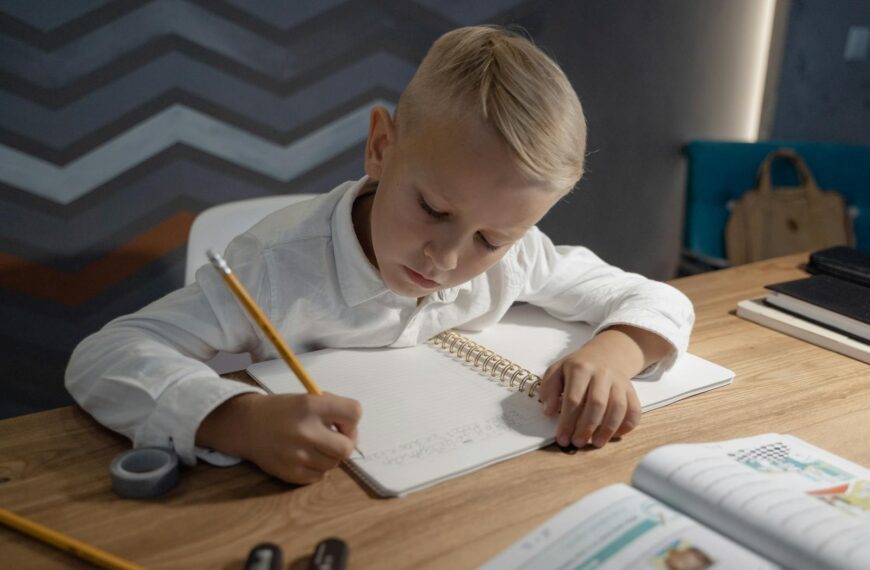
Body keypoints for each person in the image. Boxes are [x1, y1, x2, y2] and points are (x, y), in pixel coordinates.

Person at [66, 25, 694, 485]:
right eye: (434, 210)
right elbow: (106, 355)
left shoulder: (518, 256)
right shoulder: (275, 268)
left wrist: (612, 354)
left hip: (459, 483)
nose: (447, 258)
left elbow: (657, 296)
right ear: (381, 146)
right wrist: (238, 422)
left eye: (489, 239)